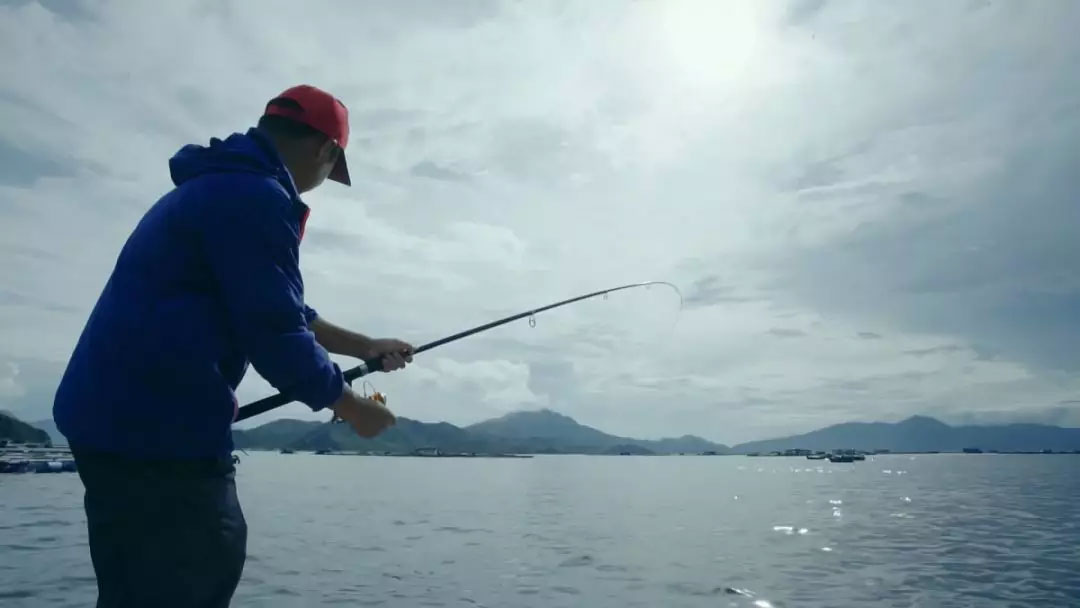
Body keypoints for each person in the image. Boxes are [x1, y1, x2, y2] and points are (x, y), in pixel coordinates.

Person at [52, 84, 412, 607]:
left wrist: (364, 347)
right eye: (329, 173)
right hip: (158, 439)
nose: (318, 185)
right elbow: (274, 330)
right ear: (326, 150)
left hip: (117, 428)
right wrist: (350, 406)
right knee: (198, 571)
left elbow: (276, 307)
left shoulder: (221, 187)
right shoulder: (256, 197)